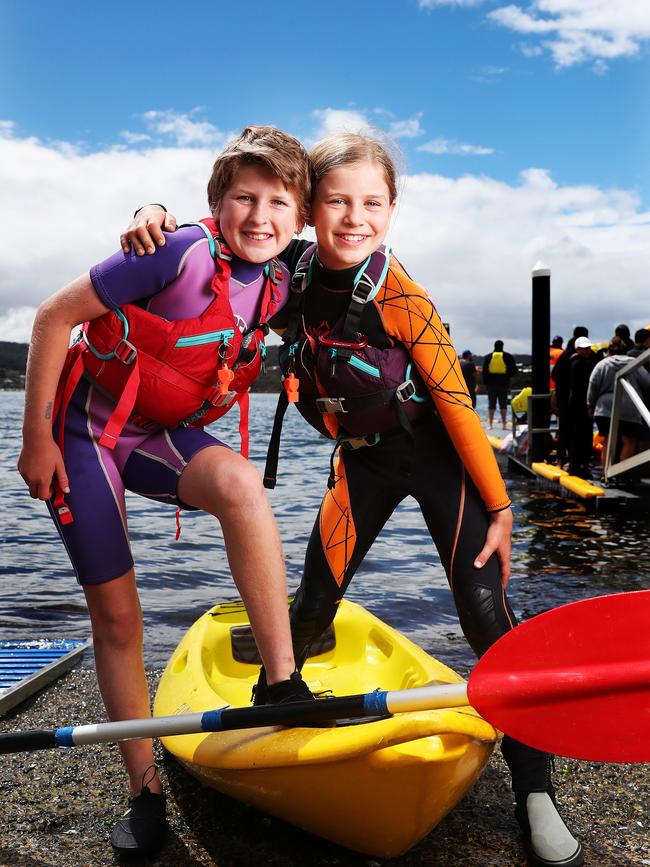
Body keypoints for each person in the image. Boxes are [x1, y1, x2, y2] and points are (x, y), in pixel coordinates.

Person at [126, 133, 583, 867]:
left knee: (484, 613)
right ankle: (285, 728)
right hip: (362, 463)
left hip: (439, 462)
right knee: (310, 603)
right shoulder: (288, 274)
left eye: (372, 202)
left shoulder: (401, 293)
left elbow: (461, 407)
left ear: (392, 209)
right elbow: (221, 246)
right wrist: (155, 214)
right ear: (310, 208)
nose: (353, 216)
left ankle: (535, 789)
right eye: (336, 200)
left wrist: (500, 507)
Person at [17, 126, 316, 857]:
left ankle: (280, 683)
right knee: (119, 618)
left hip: (157, 435)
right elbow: (53, 316)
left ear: (299, 217)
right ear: (215, 203)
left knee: (243, 484)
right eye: (244, 197)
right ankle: (144, 788)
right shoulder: (172, 249)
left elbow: (355, 235)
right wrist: (36, 440)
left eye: (280, 201)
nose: (260, 215)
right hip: (83, 433)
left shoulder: (284, 278)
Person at [587, 336, 650, 473]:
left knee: (608, 441)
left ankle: (606, 473)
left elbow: (593, 386)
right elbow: (647, 382)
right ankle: (623, 473)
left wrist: (590, 405)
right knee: (629, 441)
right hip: (629, 405)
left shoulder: (602, 364)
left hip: (605, 407)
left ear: (609, 350)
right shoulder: (634, 363)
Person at [552, 326, 589, 466]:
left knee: (564, 429)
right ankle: (579, 460)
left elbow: (554, 375)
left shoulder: (565, 354)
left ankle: (561, 459)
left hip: (563, 398)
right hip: (577, 400)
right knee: (579, 431)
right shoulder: (583, 358)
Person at [566, 337, 596, 478]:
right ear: (577, 349)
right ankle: (575, 464)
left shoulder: (585, 362)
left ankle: (582, 462)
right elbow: (578, 387)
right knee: (578, 435)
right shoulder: (576, 364)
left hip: (583, 403)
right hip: (578, 404)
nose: (586, 350)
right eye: (583, 348)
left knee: (585, 435)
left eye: (588, 348)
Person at [482, 340, 518, 429]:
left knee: (491, 404)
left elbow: (484, 372)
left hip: (491, 385)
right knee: (503, 405)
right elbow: (514, 370)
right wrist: (507, 375)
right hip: (504, 384)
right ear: (503, 346)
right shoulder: (508, 356)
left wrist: (486, 383)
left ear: (494, 346)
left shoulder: (488, 357)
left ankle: (490, 425)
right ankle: (504, 425)